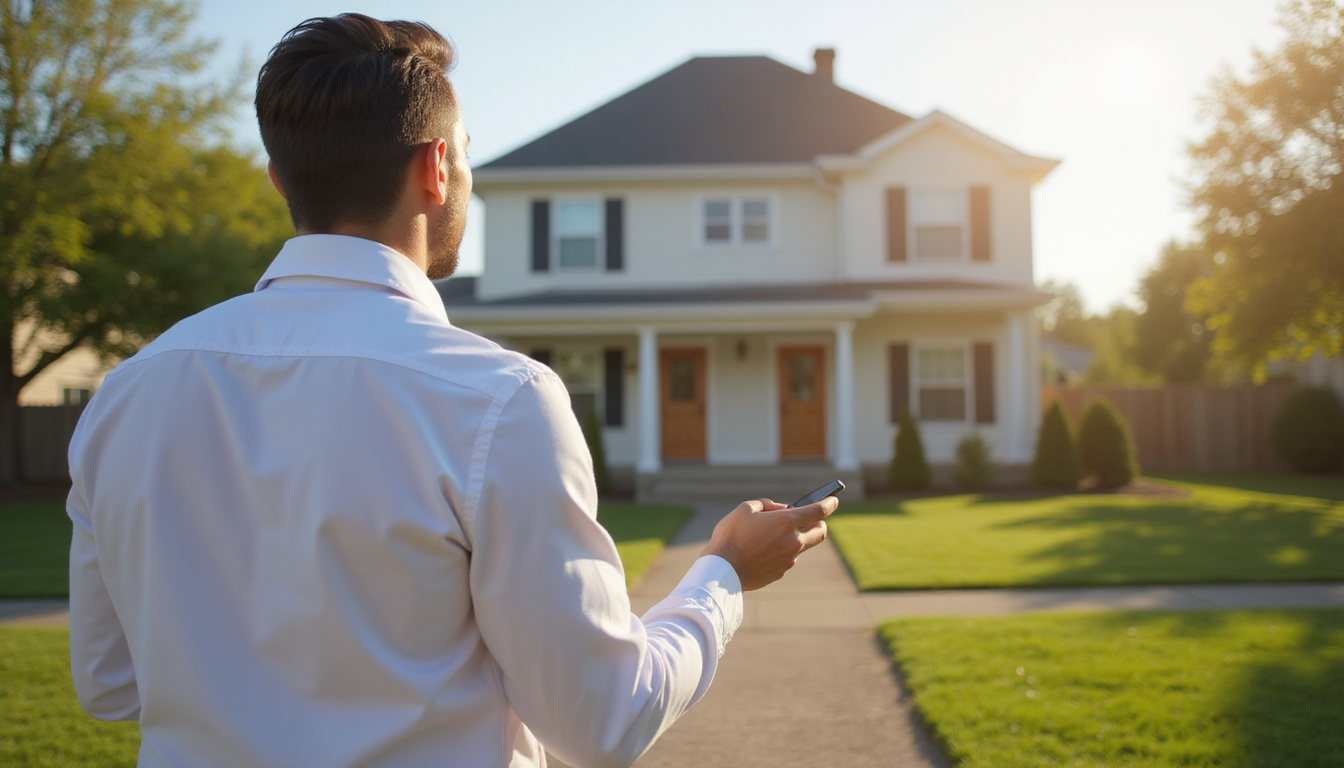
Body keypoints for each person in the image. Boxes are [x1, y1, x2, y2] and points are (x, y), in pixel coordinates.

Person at [67, 13, 837, 768]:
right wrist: (724, 575)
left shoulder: (125, 396)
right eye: (466, 156)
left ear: (279, 180)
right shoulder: (496, 401)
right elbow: (605, 721)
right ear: (437, 168)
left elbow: (107, 683)